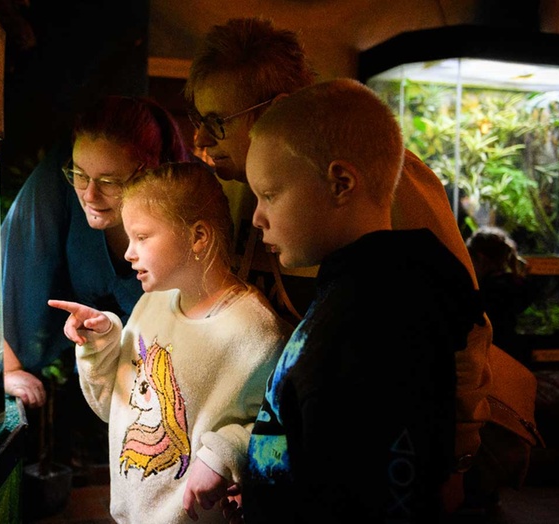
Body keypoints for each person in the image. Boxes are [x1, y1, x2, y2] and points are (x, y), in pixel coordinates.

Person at [183, 17, 493, 507]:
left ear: (276, 110)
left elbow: (463, 327)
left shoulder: (393, 184)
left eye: (217, 121)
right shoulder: (241, 185)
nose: (201, 140)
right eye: (198, 121)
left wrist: (456, 456)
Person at [242, 78, 484, 523]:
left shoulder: (376, 320)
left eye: (270, 195)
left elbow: (381, 489)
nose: (257, 216)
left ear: (340, 183)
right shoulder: (348, 292)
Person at [48, 162, 294, 523]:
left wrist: (223, 453)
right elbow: (113, 407)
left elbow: (281, 432)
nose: (129, 253)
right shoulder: (152, 303)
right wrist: (102, 342)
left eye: (142, 237)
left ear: (197, 237)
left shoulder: (256, 332)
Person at [0, 96, 192, 472]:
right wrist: (9, 369)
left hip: (174, 394)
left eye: (108, 181)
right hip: (93, 383)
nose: (89, 194)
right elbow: (11, 264)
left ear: (148, 172)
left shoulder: (183, 203)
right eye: (81, 175)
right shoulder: (58, 183)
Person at [466, 226, 534, 364]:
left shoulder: (488, 291)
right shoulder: (516, 284)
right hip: (513, 354)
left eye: (470, 258)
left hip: (493, 356)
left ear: (480, 257)